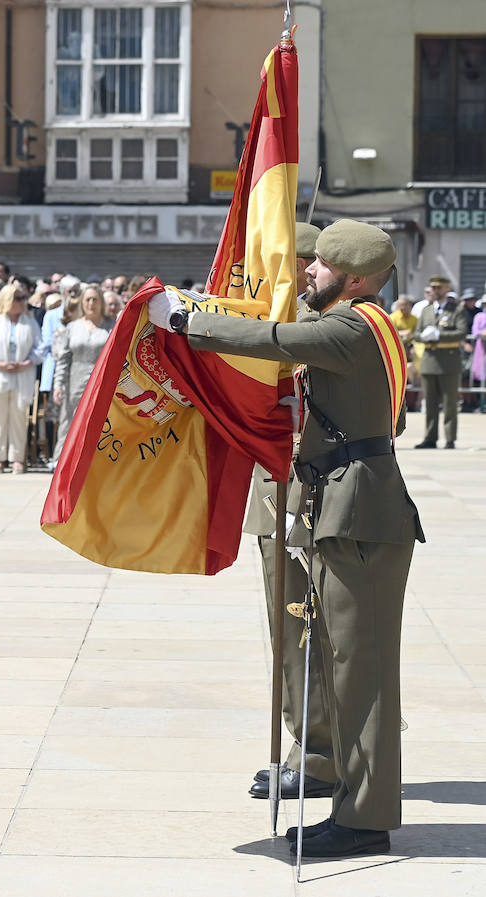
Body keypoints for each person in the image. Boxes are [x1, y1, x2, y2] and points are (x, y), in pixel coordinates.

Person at [153, 218, 424, 858]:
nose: (307, 271)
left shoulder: (353, 326)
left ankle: (364, 819)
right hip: (344, 503)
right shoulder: (364, 324)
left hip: (359, 511)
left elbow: (274, 337)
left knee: (363, 672)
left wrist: (185, 321)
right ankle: (355, 803)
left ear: (354, 278)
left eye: (320, 265)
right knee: (341, 664)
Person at [244, 220, 336, 802]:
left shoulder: (326, 328)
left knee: (312, 628)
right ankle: (304, 741)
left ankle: (321, 754)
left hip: (310, 491)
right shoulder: (263, 322)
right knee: (287, 628)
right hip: (270, 491)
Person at [0, 282, 44, 474]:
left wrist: (27, 363)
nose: (23, 302)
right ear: (7, 300)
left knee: (18, 417)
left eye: (24, 298)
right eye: (19, 298)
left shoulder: (30, 322)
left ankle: (17, 458)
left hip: (22, 376)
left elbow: (40, 348)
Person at [51, 288, 112, 467]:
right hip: (75, 378)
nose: (91, 304)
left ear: (101, 302)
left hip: (102, 378)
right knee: (69, 421)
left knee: (100, 421)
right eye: (87, 300)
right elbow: (63, 359)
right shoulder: (73, 327)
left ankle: (95, 463)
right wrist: (58, 385)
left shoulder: (111, 326)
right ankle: (61, 462)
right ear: (82, 303)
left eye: (95, 300)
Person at [413, 280, 471, 449]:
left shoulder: (457, 310)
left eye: (439, 287)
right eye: (434, 287)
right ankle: (430, 438)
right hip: (429, 360)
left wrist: (439, 334)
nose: (436, 290)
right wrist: (423, 336)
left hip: (449, 361)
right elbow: (416, 334)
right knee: (430, 403)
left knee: (449, 403)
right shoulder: (426, 310)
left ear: (447, 289)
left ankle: (450, 439)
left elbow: (461, 333)